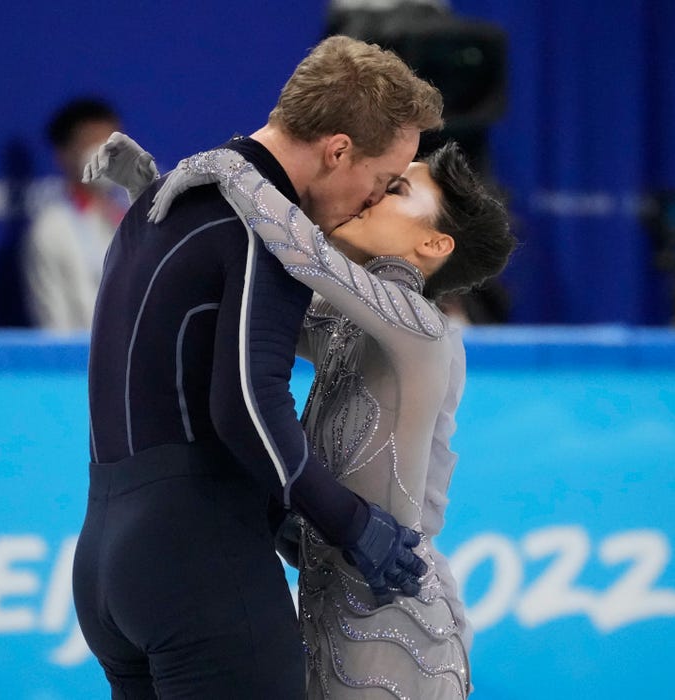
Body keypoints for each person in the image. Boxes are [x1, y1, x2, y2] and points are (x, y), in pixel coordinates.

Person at [72, 36, 444, 699]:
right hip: (196, 566)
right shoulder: (262, 227)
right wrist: (352, 526)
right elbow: (245, 405)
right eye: (384, 179)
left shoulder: (164, 202)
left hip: (108, 561)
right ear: (337, 151)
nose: (375, 199)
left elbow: (175, 390)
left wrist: (279, 515)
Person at [21, 97, 141, 331]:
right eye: (92, 141)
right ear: (64, 155)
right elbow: (54, 326)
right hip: (81, 363)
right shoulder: (50, 229)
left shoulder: (135, 220)